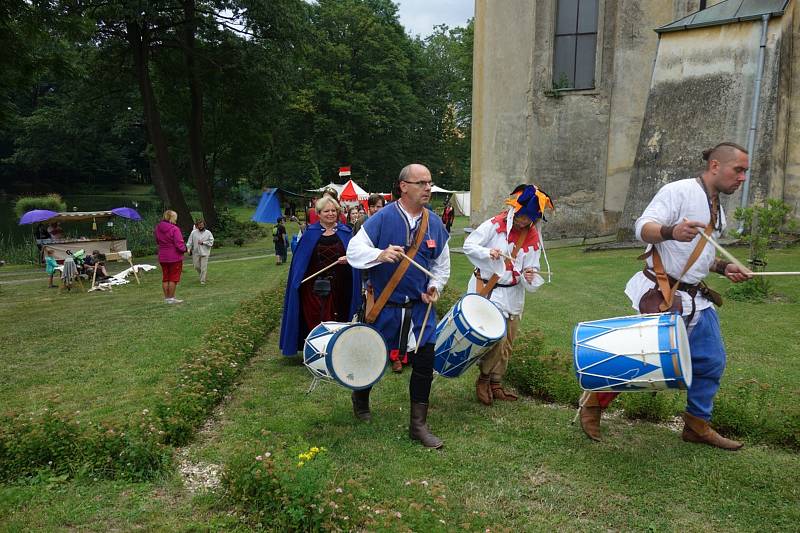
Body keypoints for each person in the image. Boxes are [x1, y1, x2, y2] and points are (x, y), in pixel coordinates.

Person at [579, 142, 753, 450]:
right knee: (639, 358)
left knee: (711, 361)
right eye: (738, 170)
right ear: (715, 165)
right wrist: (671, 231)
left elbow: (699, 257)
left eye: (744, 172)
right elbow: (642, 227)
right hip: (663, 293)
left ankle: (696, 426)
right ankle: (593, 403)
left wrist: (724, 267)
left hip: (696, 298)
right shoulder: (679, 192)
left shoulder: (717, 209)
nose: (742, 178)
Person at [347, 163, 450, 448]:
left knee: (425, 362)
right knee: (370, 357)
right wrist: (380, 254)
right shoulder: (382, 218)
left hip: (419, 308)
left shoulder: (436, 224)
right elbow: (354, 250)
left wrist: (434, 287)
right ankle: (361, 399)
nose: (428, 188)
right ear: (403, 186)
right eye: (421, 183)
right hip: (384, 305)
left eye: (429, 183)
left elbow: (441, 266)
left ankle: (418, 425)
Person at [463, 184, 554, 406]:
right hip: (489, 290)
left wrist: (529, 275)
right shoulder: (494, 225)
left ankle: (496, 384)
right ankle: (483, 379)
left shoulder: (532, 235)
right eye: (522, 216)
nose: (524, 222)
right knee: (497, 339)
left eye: (529, 218)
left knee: (508, 344)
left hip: (513, 295)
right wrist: (488, 252)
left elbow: (529, 268)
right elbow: (469, 245)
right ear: (515, 210)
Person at [279, 196, 361, 356]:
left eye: (333, 211)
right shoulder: (310, 234)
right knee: (317, 316)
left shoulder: (346, 233)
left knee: (339, 317)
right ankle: (317, 351)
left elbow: (355, 256)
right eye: (326, 211)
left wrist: (349, 259)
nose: (330, 214)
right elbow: (300, 262)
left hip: (341, 285)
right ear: (318, 213)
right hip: (314, 285)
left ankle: (337, 350)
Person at [154, 210, 187, 304]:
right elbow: (179, 243)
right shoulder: (174, 229)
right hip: (174, 257)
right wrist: (185, 249)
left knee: (165, 277)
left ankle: (167, 298)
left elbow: (157, 241)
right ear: (172, 217)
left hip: (163, 256)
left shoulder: (158, 228)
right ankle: (171, 298)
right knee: (173, 278)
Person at [186, 218, 214, 284]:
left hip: (205, 252)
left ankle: (202, 280)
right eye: (199, 225)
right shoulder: (193, 232)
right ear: (197, 226)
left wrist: (203, 243)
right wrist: (188, 249)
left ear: (204, 225)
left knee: (203, 267)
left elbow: (211, 242)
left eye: (202, 225)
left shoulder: (208, 233)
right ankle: (203, 275)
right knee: (196, 266)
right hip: (195, 252)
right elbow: (189, 242)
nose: (200, 226)